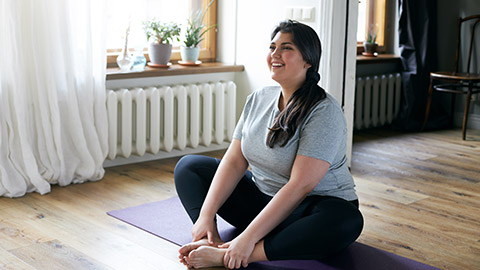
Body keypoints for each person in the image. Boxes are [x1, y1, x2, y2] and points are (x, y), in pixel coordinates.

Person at [174, 20, 364, 269]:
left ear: (308, 60)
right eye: (272, 47)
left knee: (347, 221)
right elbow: (233, 161)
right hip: (261, 202)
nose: (275, 54)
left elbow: (299, 187)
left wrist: (245, 242)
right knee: (190, 166)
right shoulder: (258, 98)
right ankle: (209, 239)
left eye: (286, 48)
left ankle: (234, 254)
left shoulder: (323, 111)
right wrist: (205, 216)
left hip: (307, 210)